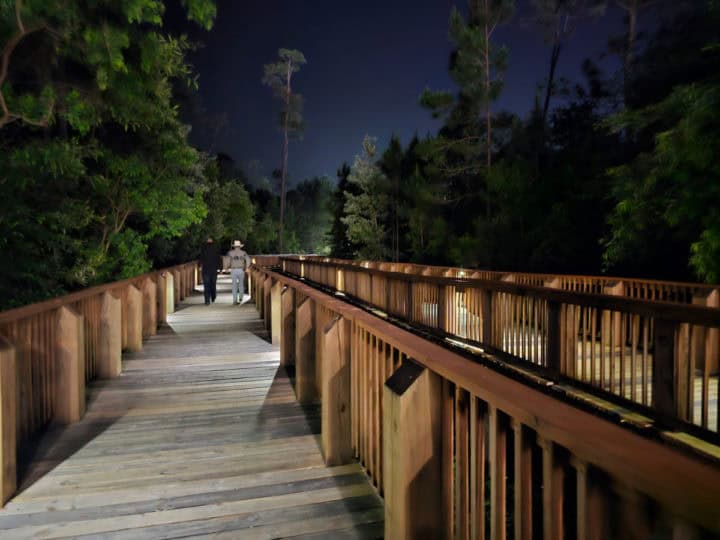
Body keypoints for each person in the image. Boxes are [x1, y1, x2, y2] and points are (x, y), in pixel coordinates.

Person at [227, 240, 251, 305]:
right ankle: (241, 297)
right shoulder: (243, 253)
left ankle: (234, 300)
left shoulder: (230, 253)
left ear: (234, 246)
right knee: (241, 284)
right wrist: (247, 267)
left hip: (233, 270)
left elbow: (228, 261)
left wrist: (227, 268)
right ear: (240, 246)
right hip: (241, 270)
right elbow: (248, 260)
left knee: (234, 285)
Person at [199, 237, 221, 305]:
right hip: (213, 270)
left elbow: (201, 258)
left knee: (206, 285)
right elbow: (218, 259)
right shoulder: (216, 248)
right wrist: (219, 268)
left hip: (206, 269)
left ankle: (207, 300)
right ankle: (213, 296)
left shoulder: (203, 248)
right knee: (213, 284)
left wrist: (200, 266)